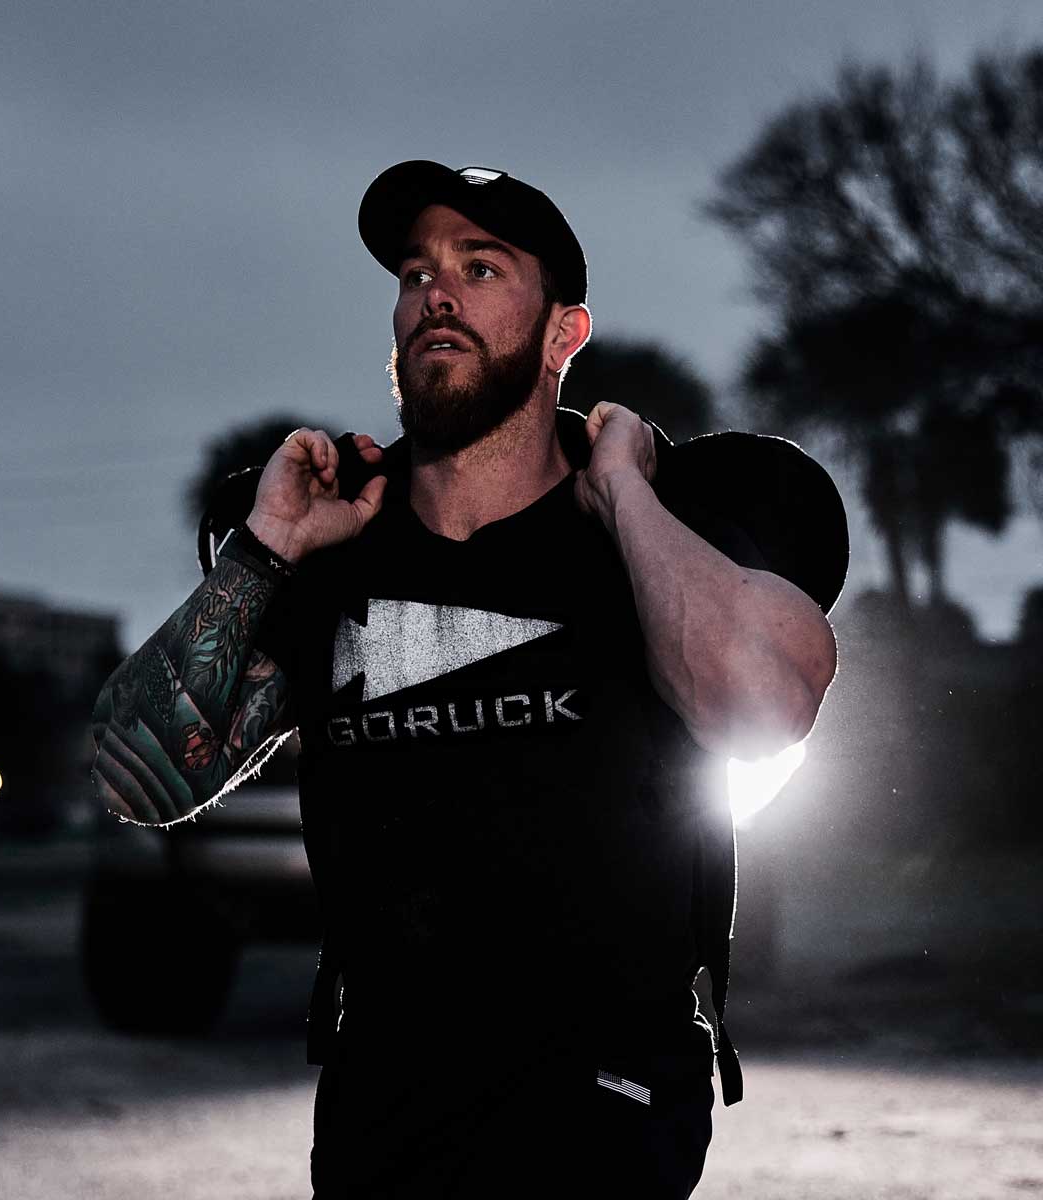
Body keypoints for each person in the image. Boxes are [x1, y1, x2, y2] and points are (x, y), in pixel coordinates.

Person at [89, 160, 844, 1198]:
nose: (435, 292)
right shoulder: (333, 547)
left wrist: (622, 491)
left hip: (603, 1092)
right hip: (382, 1093)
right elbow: (137, 780)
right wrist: (267, 546)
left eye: (479, 267)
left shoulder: (666, 526)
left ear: (561, 336)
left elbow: (762, 712)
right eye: (415, 272)